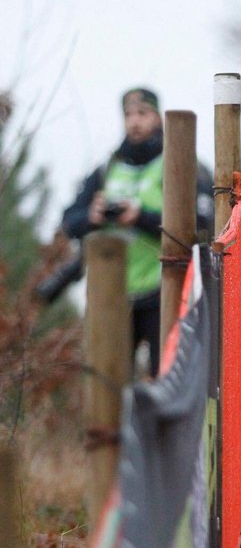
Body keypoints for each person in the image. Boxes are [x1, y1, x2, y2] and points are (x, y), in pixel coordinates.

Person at [60, 87, 213, 377]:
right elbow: (69, 222)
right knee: (108, 388)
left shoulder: (182, 165)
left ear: (158, 117)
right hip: (113, 296)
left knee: (166, 381)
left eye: (142, 113)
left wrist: (140, 217)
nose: (134, 121)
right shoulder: (108, 169)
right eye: (128, 114)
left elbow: (203, 226)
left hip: (165, 291)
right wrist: (92, 218)